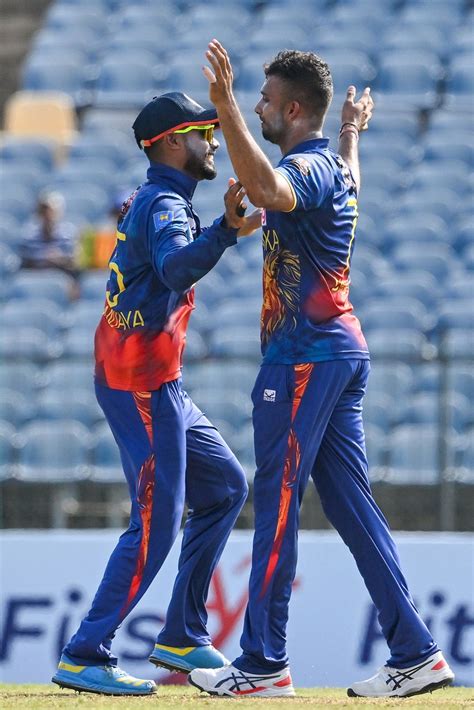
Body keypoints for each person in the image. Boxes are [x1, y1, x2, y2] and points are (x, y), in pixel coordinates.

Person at [188, 42, 455, 699]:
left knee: (278, 501)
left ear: (294, 109)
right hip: (336, 350)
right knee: (349, 505)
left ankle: (262, 662)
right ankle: (416, 651)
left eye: (265, 102)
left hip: (305, 358)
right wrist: (351, 133)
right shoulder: (332, 162)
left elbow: (268, 189)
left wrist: (223, 110)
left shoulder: (304, 167)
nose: (256, 107)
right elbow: (350, 177)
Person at [52, 91, 261, 696]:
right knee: (156, 522)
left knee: (224, 488)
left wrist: (223, 228)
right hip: (139, 385)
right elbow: (173, 270)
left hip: (153, 381)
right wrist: (224, 229)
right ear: (172, 141)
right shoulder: (167, 204)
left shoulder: (159, 199)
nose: (214, 142)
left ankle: (179, 634)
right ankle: (86, 650)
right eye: (203, 132)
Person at [20, 190, 80, 279]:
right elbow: (26, 260)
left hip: (63, 276)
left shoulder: (69, 234)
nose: (47, 215)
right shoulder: (29, 236)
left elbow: (75, 261)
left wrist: (59, 258)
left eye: (50, 211)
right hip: (37, 277)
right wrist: (45, 257)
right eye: (43, 211)